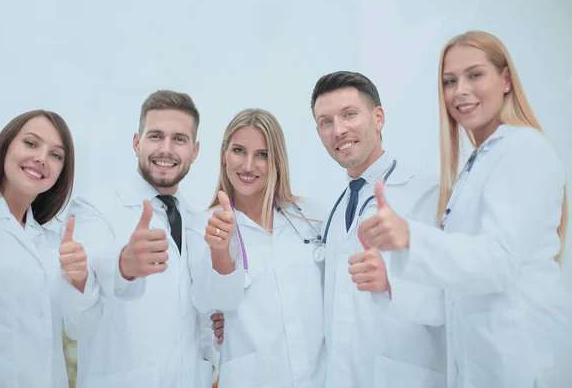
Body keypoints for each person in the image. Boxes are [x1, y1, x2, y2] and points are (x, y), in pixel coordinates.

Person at [359, 30, 572, 387]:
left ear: (505, 80)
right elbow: (462, 286)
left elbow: (497, 260)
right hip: (485, 365)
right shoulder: (475, 167)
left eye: (475, 75)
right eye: (449, 81)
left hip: (526, 360)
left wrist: (410, 235)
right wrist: (392, 282)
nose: (460, 91)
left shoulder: (524, 149)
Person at [60, 90, 217, 388]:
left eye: (179, 139)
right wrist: (124, 266)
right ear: (137, 143)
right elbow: (79, 319)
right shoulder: (94, 208)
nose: (166, 149)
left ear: (194, 151)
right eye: (155, 136)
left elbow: (200, 319)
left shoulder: (197, 221)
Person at [311, 71, 447, 387]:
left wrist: (391, 282)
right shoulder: (337, 209)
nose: (338, 130)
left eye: (349, 114)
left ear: (378, 117)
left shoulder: (429, 195)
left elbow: (459, 297)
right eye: (325, 122)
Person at [188, 108, 327, 388]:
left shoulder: (312, 217)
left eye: (262, 154)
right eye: (239, 150)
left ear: (277, 160)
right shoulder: (202, 226)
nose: (249, 165)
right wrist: (220, 251)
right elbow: (206, 306)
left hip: (319, 375)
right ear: (224, 154)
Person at [0, 110, 87, 387]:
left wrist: (82, 281)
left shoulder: (54, 245)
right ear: (6, 146)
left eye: (56, 155)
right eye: (31, 143)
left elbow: (79, 325)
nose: (41, 158)